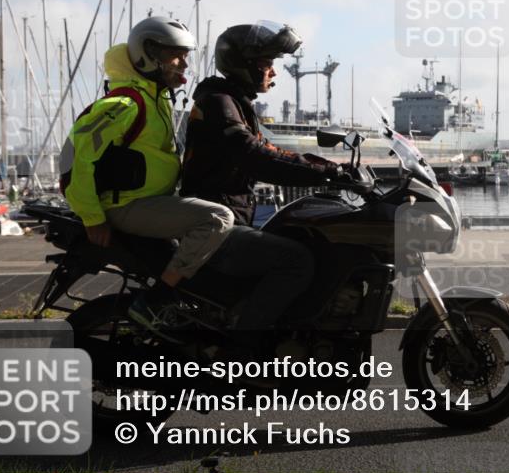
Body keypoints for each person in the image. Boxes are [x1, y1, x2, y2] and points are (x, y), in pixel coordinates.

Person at [61, 17, 235, 333]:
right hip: (128, 206)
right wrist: (92, 218)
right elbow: (74, 158)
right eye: (176, 55)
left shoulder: (155, 97)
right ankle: (156, 299)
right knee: (217, 218)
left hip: (152, 202)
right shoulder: (126, 102)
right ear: (149, 54)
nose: (184, 63)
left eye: (186, 55)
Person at [181, 21, 340, 330]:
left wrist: (328, 168)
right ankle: (243, 349)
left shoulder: (234, 103)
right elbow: (255, 155)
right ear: (244, 64)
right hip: (215, 229)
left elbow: (268, 150)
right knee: (297, 262)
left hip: (225, 220)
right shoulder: (219, 103)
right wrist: (325, 174)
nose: (274, 71)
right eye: (267, 63)